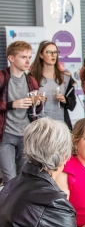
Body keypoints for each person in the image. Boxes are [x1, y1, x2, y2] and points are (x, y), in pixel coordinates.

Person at [0, 41, 43, 184]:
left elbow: (36, 111)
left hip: (25, 134)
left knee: (24, 177)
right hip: (5, 135)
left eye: (29, 57)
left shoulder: (31, 81)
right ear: (11, 58)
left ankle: (21, 206)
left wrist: (38, 102)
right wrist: (13, 104)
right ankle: (8, 206)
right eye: (23, 57)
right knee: (9, 178)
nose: (28, 61)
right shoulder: (2, 78)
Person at [30, 40, 77, 129]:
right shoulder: (31, 78)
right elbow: (27, 105)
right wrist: (36, 100)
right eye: (49, 52)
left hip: (61, 126)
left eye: (55, 52)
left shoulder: (66, 78)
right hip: (39, 126)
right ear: (41, 55)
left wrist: (65, 100)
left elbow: (72, 104)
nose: (53, 55)